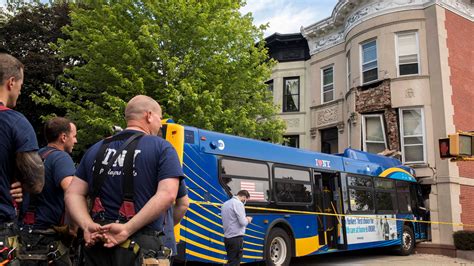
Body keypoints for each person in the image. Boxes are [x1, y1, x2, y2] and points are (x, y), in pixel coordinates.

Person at [65, 95, 184, 266]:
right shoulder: (162, 147)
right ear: (149, 115)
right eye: (159, 118)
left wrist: (87, 225)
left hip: (97, 244)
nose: (159, 124)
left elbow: (73, 192)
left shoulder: (96, 148)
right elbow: (168, 195)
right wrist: (127, 228)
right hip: (141, 248)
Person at [0, 53, 45, 264]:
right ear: (10, 82)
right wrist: (22, 183)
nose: (20, 90)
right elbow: (36, 183)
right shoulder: (14, 122)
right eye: (20, 84)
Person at [17, 117, 77, 265]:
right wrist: (73, 228)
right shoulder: (62, 158)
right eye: (74, 136)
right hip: (47, 238)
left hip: (24, 232)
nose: (75, 141)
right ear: (63, 137)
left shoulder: (35, 156)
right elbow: (72, 192)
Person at [221, 190, 252, 266]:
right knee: (235, 262)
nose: (245, 202)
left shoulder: (225, 204)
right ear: (244, 197)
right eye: (245, 200)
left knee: (231, 260)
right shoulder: (238, 204)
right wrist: (248, 219)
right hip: (236, 238)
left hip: (227, 238)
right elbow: (243, 222)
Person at [163, 180, 189, 265]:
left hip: (128, 242)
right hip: (164, 242)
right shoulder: (168, 168)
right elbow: (183, 204)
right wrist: (168, 225)